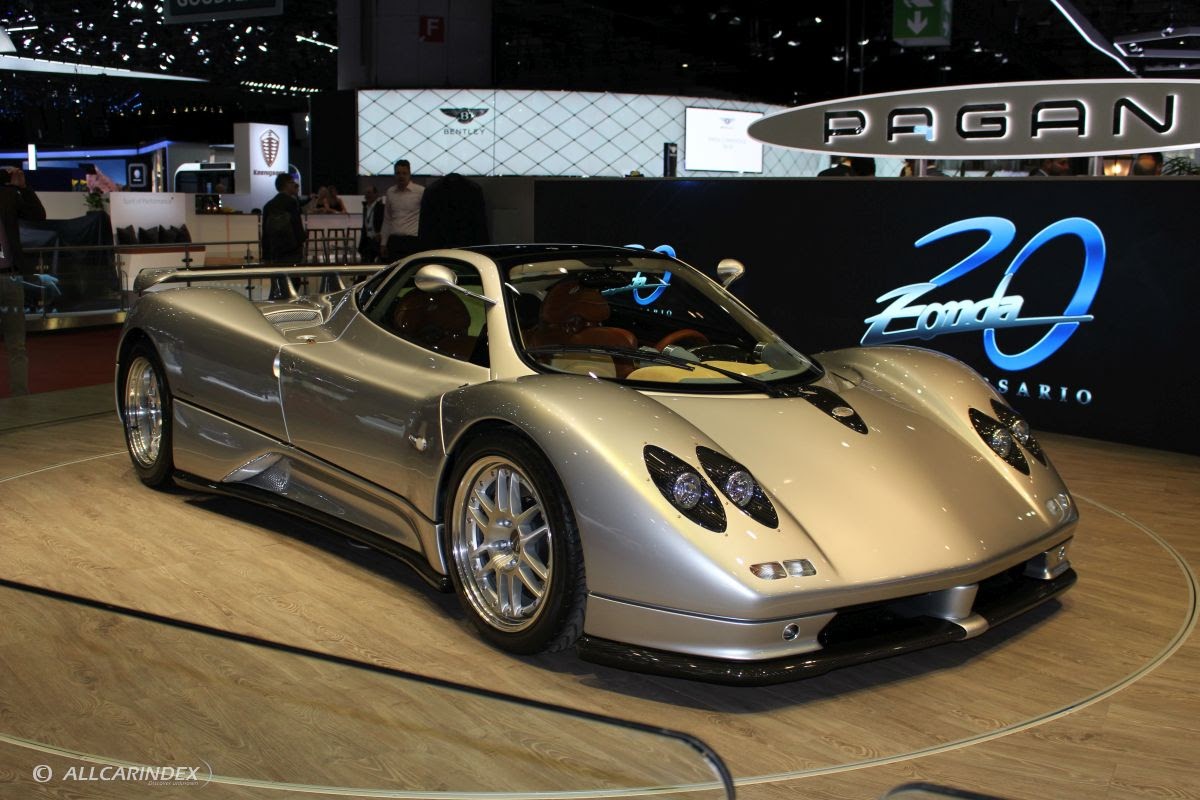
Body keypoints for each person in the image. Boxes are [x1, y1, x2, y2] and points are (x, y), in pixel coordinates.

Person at [0, 165, 47, 396]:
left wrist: (24, 188)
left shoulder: (7, 195)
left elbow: (38, 215)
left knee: (17, 343)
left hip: (10, 277)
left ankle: (20, 396)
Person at [261, 173, 306, 299]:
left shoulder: (268, 205)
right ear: (286, 185)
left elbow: (265, 232)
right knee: (293, 283)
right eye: (292, 183)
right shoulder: (291, 203)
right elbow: (296, 226)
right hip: (292, 250)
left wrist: (266, 254)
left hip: (275, 251)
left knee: (277, 283)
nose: (295, 185)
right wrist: (301, 241)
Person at [418, 173, 488, 249]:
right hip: (468, 241)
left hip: (438, 243)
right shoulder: (474, 189)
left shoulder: (432, 190)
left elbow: (426, 223)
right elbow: (480, 223)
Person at [380, 159, 424, 261]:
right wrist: (383, 243)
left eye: (404, 173)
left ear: (409, 174)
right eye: (398, 173)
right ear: (394, 175)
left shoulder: (420, 191)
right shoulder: (390, 192)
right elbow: (387, 219)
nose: (401, 176)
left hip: (412, 240)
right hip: (394, 241)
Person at [358, 184, 384, 263]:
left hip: (377, 240)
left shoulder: (381, 207)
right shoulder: (365, 207)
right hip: (367, 240)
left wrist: (381, 234)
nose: (367, 195)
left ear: (376, 194)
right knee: (365, 262)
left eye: (369, 193)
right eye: (366, 193)